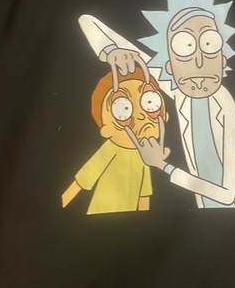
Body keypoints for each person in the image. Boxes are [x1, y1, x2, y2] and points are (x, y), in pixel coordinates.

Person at [78, 0, 235, 209]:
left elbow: (227, 195)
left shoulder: (224, 103)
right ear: (169, 68)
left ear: (222, 60)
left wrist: (163, 166)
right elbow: (87, 21)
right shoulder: (179, 92)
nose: (198, 62)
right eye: (185, 47)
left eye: (209, 44)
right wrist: (111, 51)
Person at [61, 69, 168, 215]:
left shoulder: (144, 155)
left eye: (150, 101)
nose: (141, 116)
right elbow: (83, 179)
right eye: (123, 109)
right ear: (106, 129)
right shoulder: (110, 149)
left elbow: (144, 194)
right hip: (102, 214)